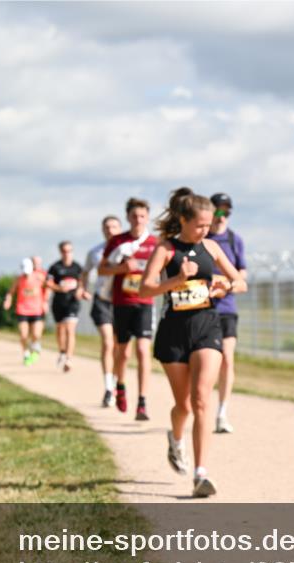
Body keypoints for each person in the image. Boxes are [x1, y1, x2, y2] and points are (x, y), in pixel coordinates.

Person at [139, 187, 247, 498]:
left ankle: (201, 474)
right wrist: (175, 279)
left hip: (206, 326)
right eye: (200, 225)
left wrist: (225, 287)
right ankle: (175, 439)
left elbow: (241, 281)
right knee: (183, 405)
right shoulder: (165, 250)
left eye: (209, 224)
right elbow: (145, 290)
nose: (205, 230)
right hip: (174, 331)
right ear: (184, 221)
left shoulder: (211, 248)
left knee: (201, 399)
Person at [99, 198, 160, 421]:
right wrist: (122, 268)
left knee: (143, 351)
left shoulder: (155, 243)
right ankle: (121, 385)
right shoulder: (117, 241)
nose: (138, 220)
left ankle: (142, 402)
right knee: (122, 352)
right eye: (134, 216)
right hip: (122, 303)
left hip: (144, 303)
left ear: (147, 218)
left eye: (142, 216)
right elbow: (102, 270)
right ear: (128, 217)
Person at [206, 192, 247, 434]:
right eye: (217, 211)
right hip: (201, 308)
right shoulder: (203, 241)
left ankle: (222, 412)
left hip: (227, 309)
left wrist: (229, 284)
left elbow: (243, 275)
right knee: (205, 364)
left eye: (226, 212)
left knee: (227, 359)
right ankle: (201, 405)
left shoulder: (234, 241)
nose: (221, 217)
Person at [81, 215, 123, 405]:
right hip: (102, 300)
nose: (110, 230)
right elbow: (85, 271)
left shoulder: (127, 249)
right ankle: (107, 387)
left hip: (122, 300)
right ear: (102, 229)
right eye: (106, 227)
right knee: (107, 342)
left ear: (120, 228)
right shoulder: (95, 252)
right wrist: (83, 288)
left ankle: (114, 384)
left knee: (117, 346)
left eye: (114, 226)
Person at [47, 241, 85, 372]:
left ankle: (69, 358)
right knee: (60, 330)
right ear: (60, 252)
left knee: (70, 329)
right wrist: (59, 287)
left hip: (72, 303)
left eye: (69, 250)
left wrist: (81, 290)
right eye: (64, 251)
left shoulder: (77, 267)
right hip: (59, 302)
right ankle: (62, 351)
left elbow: (82, 282)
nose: (67, 253)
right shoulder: (55, 267)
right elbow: (48, 283)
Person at [3, 257, 48, 365]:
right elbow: (10, 292)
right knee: (24, 335)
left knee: (36, 334)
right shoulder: (19, 279)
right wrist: (8, 300)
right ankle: (26, 353)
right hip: (22, 310)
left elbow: (48, 288)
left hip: (37, 310)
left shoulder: (39, 277)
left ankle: (35, 346)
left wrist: (45, 301)